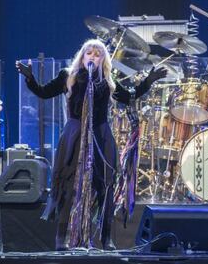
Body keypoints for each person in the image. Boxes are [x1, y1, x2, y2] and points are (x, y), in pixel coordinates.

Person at [16, 39, 166, 250]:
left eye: (97, 54)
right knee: (69, 185)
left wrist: (148, 81)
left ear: (103, 59)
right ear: (82, 56)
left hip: (100, 134)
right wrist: (30, 78)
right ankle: (62, 238)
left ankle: (106, 239)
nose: (93, 56)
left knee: (105, 185)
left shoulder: (107, 80)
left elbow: (128, 96)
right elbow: (43, 92)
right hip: (75, 134)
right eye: (89, 53)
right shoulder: (68, 76)